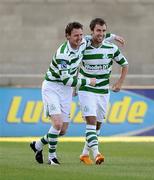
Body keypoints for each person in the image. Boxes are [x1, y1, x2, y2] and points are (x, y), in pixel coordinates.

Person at [30, 22, 96, 165]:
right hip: (52, 87)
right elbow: (66, 80)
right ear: (67, 36)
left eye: (80, 34)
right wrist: (87, 81)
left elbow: (97, 36)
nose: (79, 38)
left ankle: (38, 145)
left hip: (66, 90)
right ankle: (52, 157)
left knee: (63, 130)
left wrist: (113, 37)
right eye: (75, 35)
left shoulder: (84, 41)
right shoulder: (63, 54)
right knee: (58, 124)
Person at [78, 18, 128, 165]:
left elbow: (125, 64)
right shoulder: (84, 45)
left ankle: (84, 154)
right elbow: (74, 62)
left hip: (103, 91)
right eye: (98, 30)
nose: (101, 33)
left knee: (98, 125)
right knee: (91, 121)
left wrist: (119, 82)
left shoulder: (111, 48)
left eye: (103, 31)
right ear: (92, 31)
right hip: (86, 89)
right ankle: (97, 154)